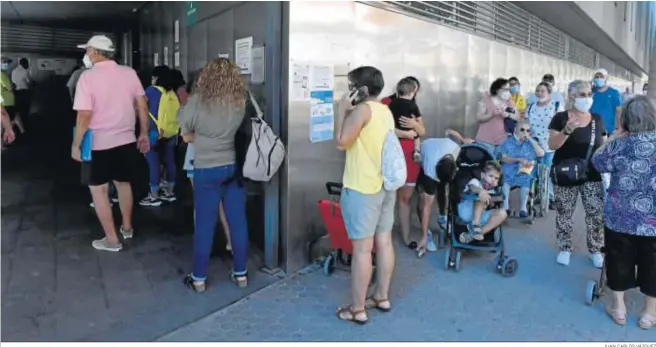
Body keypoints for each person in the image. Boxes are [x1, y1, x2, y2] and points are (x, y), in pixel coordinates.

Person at [72, 35, 150, 252]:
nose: (86, 55)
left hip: (98, 144)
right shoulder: (129, 73)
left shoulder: (87, 78)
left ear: (96, 53)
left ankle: (112, 239)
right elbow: (142, 105)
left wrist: (76, 144)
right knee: (124, 184)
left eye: (88, 51)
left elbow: (84, 116)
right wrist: (143, 133)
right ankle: (127, 227)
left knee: (99, 191)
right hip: (126, 141)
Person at [178, 58, 250, 292]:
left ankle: (198, 278)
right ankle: (241, 275)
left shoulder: (198, 101)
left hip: (206, 168)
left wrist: (200, 138)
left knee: (205, 224)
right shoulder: (239, 100)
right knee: (237, 222)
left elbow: (185, 133)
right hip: (232, 166)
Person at [334, 66, 396, 325]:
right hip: (384, 187)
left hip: (363, 188)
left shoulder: (362, 110)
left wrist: (340, 112)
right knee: (384, 242)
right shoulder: (385, 111)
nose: (349, 90)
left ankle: (357, 309)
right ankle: (381, 296)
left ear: (362, 89)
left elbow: (341, 142)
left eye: (351, 85)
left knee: (362, 250)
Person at [592, 95, 656, 329]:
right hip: (654, 221)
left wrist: (614, 138)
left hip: (620, 217)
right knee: (654, 263)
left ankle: (619, 308)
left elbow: (598, 163)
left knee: (618, 260)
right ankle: (650, 314)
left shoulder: (619, 144)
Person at [548, 79, 605, 268]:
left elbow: (602, 146)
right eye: (583, 94)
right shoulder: (560, 117)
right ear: (572, 95)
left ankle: (596, 249)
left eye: (590, 94)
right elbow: (552, 145)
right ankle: (565, 247)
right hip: (566, 173)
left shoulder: (597, 119)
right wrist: (566, 131)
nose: (587, 98)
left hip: (592, 174)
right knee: (565, 211)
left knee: (595, 212)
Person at [181, 73, 233, 254]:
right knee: (226, 204)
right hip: (226, 159)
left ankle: (203, 246)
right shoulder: (230, 104)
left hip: (199, 158)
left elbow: (187, 137)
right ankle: (231, 241)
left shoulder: (194, 106)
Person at [387, 77, 426, 249]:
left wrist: (415, 127)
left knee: (405, 198)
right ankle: (383, 237)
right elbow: (382, 128)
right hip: (392, 152)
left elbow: (422, 130)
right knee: (386, 197)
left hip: (409, 155)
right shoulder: (386, 103)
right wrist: (405, 133)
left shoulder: (411, 106)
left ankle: (405, 236)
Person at [415, 129, 468, 255]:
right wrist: (422, 238)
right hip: (423, 156)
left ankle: (442, 217)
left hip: (439, 157)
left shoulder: (456, 148)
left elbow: (450, 133)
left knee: (443, 188)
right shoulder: (430, 171)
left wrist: (462, 138)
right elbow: (427, 208)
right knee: (424, 201)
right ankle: (425, 233)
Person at [139, 66, 180, 206]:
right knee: (170, 161)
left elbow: (139, 106)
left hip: (154, 133)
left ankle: (154, 196)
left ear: (156, 78)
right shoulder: (172, 93)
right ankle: (169, 193)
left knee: (153, 164)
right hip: (170, 132)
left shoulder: (150, 91)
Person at [526, 82, 564, 208]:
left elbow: (563, 123)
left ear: (549, 92)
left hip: (549, 144)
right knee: (534, 172)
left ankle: (551, 197)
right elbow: (525, 123)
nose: (539, 93)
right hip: (533, 143)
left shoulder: (556, 106)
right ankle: (536, 195)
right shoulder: (531, 106)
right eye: (537, 90)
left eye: (542, 91)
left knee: (547, 172)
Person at [497, 119, 545, 218]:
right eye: (522, 130)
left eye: (528, 130)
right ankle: (506, 207)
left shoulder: (532, 142)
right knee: (505, 176)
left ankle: (523, 208)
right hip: (510, 167)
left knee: (526, 176)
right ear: (516, 130)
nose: (525, 132)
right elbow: (503, 158)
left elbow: (541, 154)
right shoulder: (508, 142)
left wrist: (530, 139)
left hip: (526, 168)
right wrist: (517, 159)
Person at [457, 161, 507, 244]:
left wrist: (492, 203)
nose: (493, 180)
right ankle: (475, 225)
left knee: (503, 213)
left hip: (481, 216)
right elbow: (472, 187)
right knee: (482, 196)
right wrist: (480, 191)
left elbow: (491, 205)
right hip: (466, 211)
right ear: (483, 175)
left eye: (496, 178)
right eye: (491, 176)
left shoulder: (493, 191)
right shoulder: (476, 182)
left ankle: (474, 235)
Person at [590, 68, 622, 192]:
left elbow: (619, 111)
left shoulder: (614, 93)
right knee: (594, 155)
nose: (598, 79)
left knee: (607, 155)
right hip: (591, 129)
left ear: (606, 78)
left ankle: (608, 185)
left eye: (601, 77)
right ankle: (597, 183)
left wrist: (618, 128)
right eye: (596, 77)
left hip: (608, 130)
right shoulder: (591, 92)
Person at [475, 78, 519, 152]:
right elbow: (479, 118)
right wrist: (491, 114)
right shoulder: (486, 100)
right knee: (486, 162)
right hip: (485, 140)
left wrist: (508, 115)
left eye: (509, 89)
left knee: (498, 162)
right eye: (506, 89)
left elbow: (517, 117)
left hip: (502, 140)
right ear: (497, 89)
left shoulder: (508, 101)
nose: (508, 92)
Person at [1, 58, 25, 136]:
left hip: (6, 101)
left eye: (7, 63)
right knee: (9, 119)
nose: (6, 65)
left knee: (14, 117)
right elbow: (10, 88)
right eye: (4, 63)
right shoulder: (2, 75)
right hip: (6, 102)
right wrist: (13, 86)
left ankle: (22, 132)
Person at [11, 57, 32, 129]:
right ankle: (26, 127)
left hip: (17, 92)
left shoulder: (13, 71)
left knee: (18, 110)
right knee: (26, 109)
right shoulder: (25, 71)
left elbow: (13, 82)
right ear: (25, 63)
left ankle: (18, 128)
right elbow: (29, 81)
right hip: (25, 92)